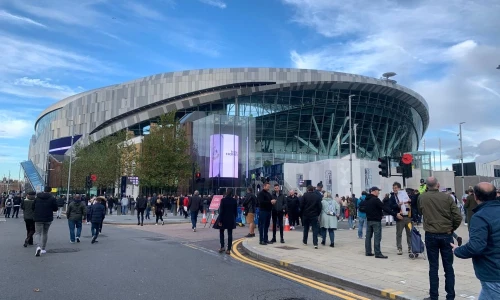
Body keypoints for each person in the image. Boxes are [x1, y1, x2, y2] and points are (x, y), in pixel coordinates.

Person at [451, 182, 500, 300]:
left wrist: (458, 250)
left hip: (493, 273)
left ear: (476, 197)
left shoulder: (480, 217)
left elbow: (476, 247)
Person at [418, 177, 462, 300]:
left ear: (427, 186)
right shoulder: (447, 197)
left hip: (430, 234)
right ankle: (450, 296)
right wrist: (452, 228)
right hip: (446, 235)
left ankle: (434, 296)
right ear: (438, 185)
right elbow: (457, 216)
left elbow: (421, 212)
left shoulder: (422, 197)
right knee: (448, 267)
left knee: (433, 267)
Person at [363, 187, 402, 259]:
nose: (379, 192)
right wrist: (395, 214)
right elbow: (384, 208)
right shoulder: (375, 199)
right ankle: (377, 253)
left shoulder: (366, 200)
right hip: (376, 221)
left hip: (369, 220)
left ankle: (368, 251)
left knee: (368, 237)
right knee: (377, 237)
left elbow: (361, 208)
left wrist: (368, 211)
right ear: (374, 191)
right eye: (378, 191)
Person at [33, 186, 58, 257]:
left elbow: (33, 207)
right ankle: (43, 248)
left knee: (38, 233)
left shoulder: (37, 197)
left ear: (43, 190)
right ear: (50, 191)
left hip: (38, 218)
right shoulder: (52, 198)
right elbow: (55, 208)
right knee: (45, 233)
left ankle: (38, 247)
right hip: (48, 218)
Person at [388, 182, 412, 255]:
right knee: (399, 233)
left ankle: (410, 247)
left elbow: (412, 204)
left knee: (409, 233)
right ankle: (399, 248)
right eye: (393, 188)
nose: (394, 189)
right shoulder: (392, 197)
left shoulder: (405, 194)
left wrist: (410, 201)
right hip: (400, 217)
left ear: (399, 188)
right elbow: (391, 206)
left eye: (395, 188)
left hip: (408, 217)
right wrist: (398, 205)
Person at [217, 188, 237, 255]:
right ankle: (228, 249)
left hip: (223, 218)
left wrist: (219, 220)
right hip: (231, 218)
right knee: (230, 233)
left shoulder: (223, 200)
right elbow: (235, 211)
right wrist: (234, 218)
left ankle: (222, 246)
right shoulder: (234, 201)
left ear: (226, 192)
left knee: (221, 232)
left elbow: (221, 211)